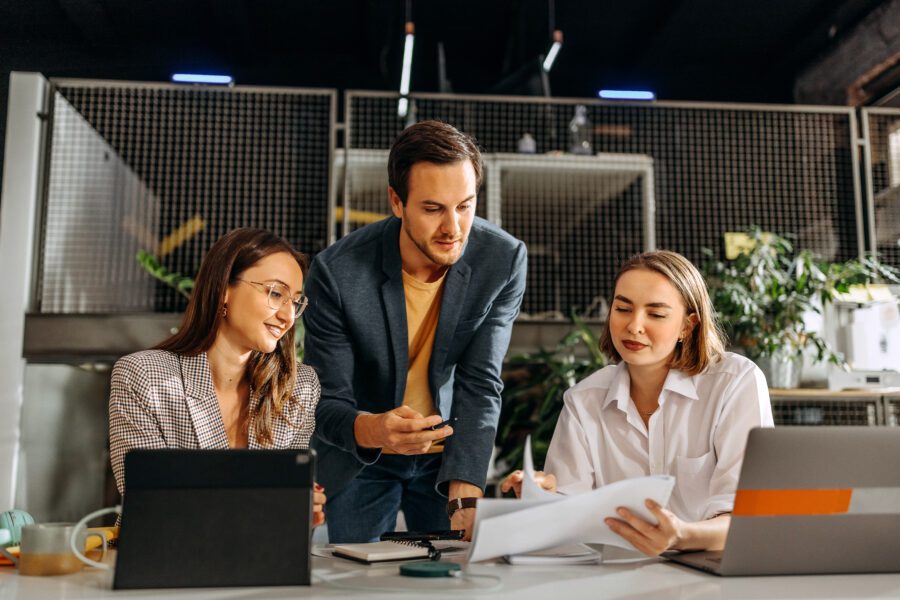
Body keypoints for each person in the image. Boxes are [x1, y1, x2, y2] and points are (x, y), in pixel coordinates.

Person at [304, 120, 527, 542]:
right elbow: (328, 400)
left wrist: (465, 492)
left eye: (465, 205)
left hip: (449, 456)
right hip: (363, 455)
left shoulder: (503, 259)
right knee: (358, 584)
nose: (453, 228)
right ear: (396, 201)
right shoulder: (337, 273)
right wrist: (374, 430)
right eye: (432, 208)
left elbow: (480, 383)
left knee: (454, 579)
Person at [501, 250, 774, 556]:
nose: (634, 326)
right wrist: (546, 496)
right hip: (618, 572)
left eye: (655, 314)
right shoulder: (583, 400)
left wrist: (681, 535)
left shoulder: (735, 383)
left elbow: (748, 516)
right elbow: (571, 513)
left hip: (712, 569)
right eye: (623, 309)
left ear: (688, 325)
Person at [109, 228, 326, 526]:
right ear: (224, 288)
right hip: (165, 562)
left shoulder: (298, 387)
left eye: (295, 302)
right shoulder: (144, 376)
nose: (287, 316)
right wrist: (269, 498)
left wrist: (300, 506)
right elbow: (148, 502)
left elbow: (285, 517)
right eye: (276, 294)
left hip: (261, 563)